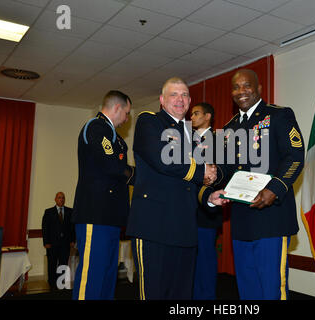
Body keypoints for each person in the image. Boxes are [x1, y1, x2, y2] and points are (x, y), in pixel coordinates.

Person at [126, 77, 227, 300]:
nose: (179, 99)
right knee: (155, 294)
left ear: (190, 101)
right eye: (174, 94)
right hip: (153, 227)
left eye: (184, 95)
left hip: (186, 229)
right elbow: (165, 160)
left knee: (182, 296)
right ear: (162, 100)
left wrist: (210, 196)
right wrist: (203, 172)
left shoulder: (193, 135)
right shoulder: (149, 122)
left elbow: (191, 185)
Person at [219, 69, 305, 299]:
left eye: (247, 86)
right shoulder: (230, 128)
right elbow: (224, 170)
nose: (241, 91)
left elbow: (295, 156)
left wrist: (274, 190)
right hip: (241, 221)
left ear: (259, 89)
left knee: (272, 289)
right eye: (236, 87)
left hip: (271, 219)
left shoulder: (279, 116)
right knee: (247, 290)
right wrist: (212, 181)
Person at [72, 90, 135, 300]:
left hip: (110, 217)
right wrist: (140, 176)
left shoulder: (115, 137)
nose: (127, 119)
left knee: (108, 276)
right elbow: (112, 165)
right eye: (126, 113)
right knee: (92, 275)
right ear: (117, 108)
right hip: (95, 214)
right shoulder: (97, 127)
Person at [190, 102, 223, 300]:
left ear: (208, 116)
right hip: (188, 209)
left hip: (207, 209)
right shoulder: (187, 141)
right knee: (191, 261)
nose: (192, 117)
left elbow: (216, 175)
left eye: (196, 113)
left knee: (205, 260)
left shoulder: (219, 141)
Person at [42, 191, 75, 290]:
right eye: (59, 197)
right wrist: (46, 242)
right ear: (55, 199)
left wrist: (72, 240)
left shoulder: (70, 211)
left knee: (63, 264)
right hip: (52, 244)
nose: (61, 199)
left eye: (63, 198)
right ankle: (52, 283)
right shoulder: (48, 212)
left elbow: (72, 228)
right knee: (52, 263)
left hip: (65, 244)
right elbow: (45, 228)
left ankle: (61, 282)